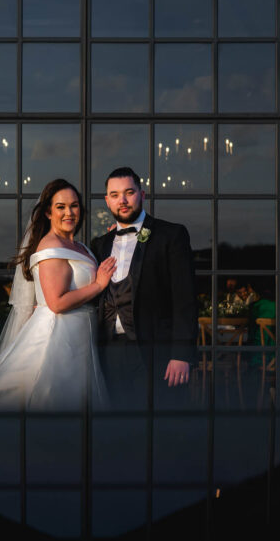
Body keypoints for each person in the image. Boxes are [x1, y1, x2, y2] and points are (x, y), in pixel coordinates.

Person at [0, 179, 116, 411]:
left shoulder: (81, 247)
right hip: (57, 338)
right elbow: (56, 303)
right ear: (48, 212)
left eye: (74, 206)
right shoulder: (50, 246)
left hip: (81, 335)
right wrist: (98, 285)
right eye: (61, 207)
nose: (69, 212)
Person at [90, 167, 198, 408]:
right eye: (115, 195)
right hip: (110, 353)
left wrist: (181, 354)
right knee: (119, 426)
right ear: (107, 201)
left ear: (142, 194)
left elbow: (185, 299)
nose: (123, 200)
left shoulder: (171, 235)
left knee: (159, 426)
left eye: (129, 192)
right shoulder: (100, 244)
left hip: (155, 353)